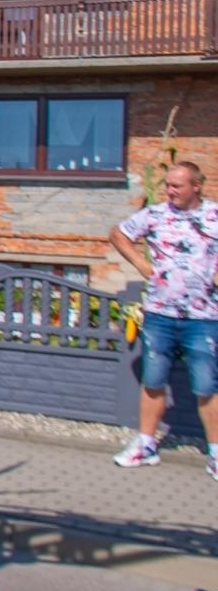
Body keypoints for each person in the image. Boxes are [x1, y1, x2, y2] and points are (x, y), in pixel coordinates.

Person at [108, 161, 218, 481]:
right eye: (168, 184)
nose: (170, 190)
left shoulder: (213, 215)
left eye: (177, 185)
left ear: (196, 186)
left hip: (204, 317)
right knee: (153, 381)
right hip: (159, 313)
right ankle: (145, 446)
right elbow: (118, 234)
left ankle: (215, 453)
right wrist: (142, 264)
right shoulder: (155, 215)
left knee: (207, 386)